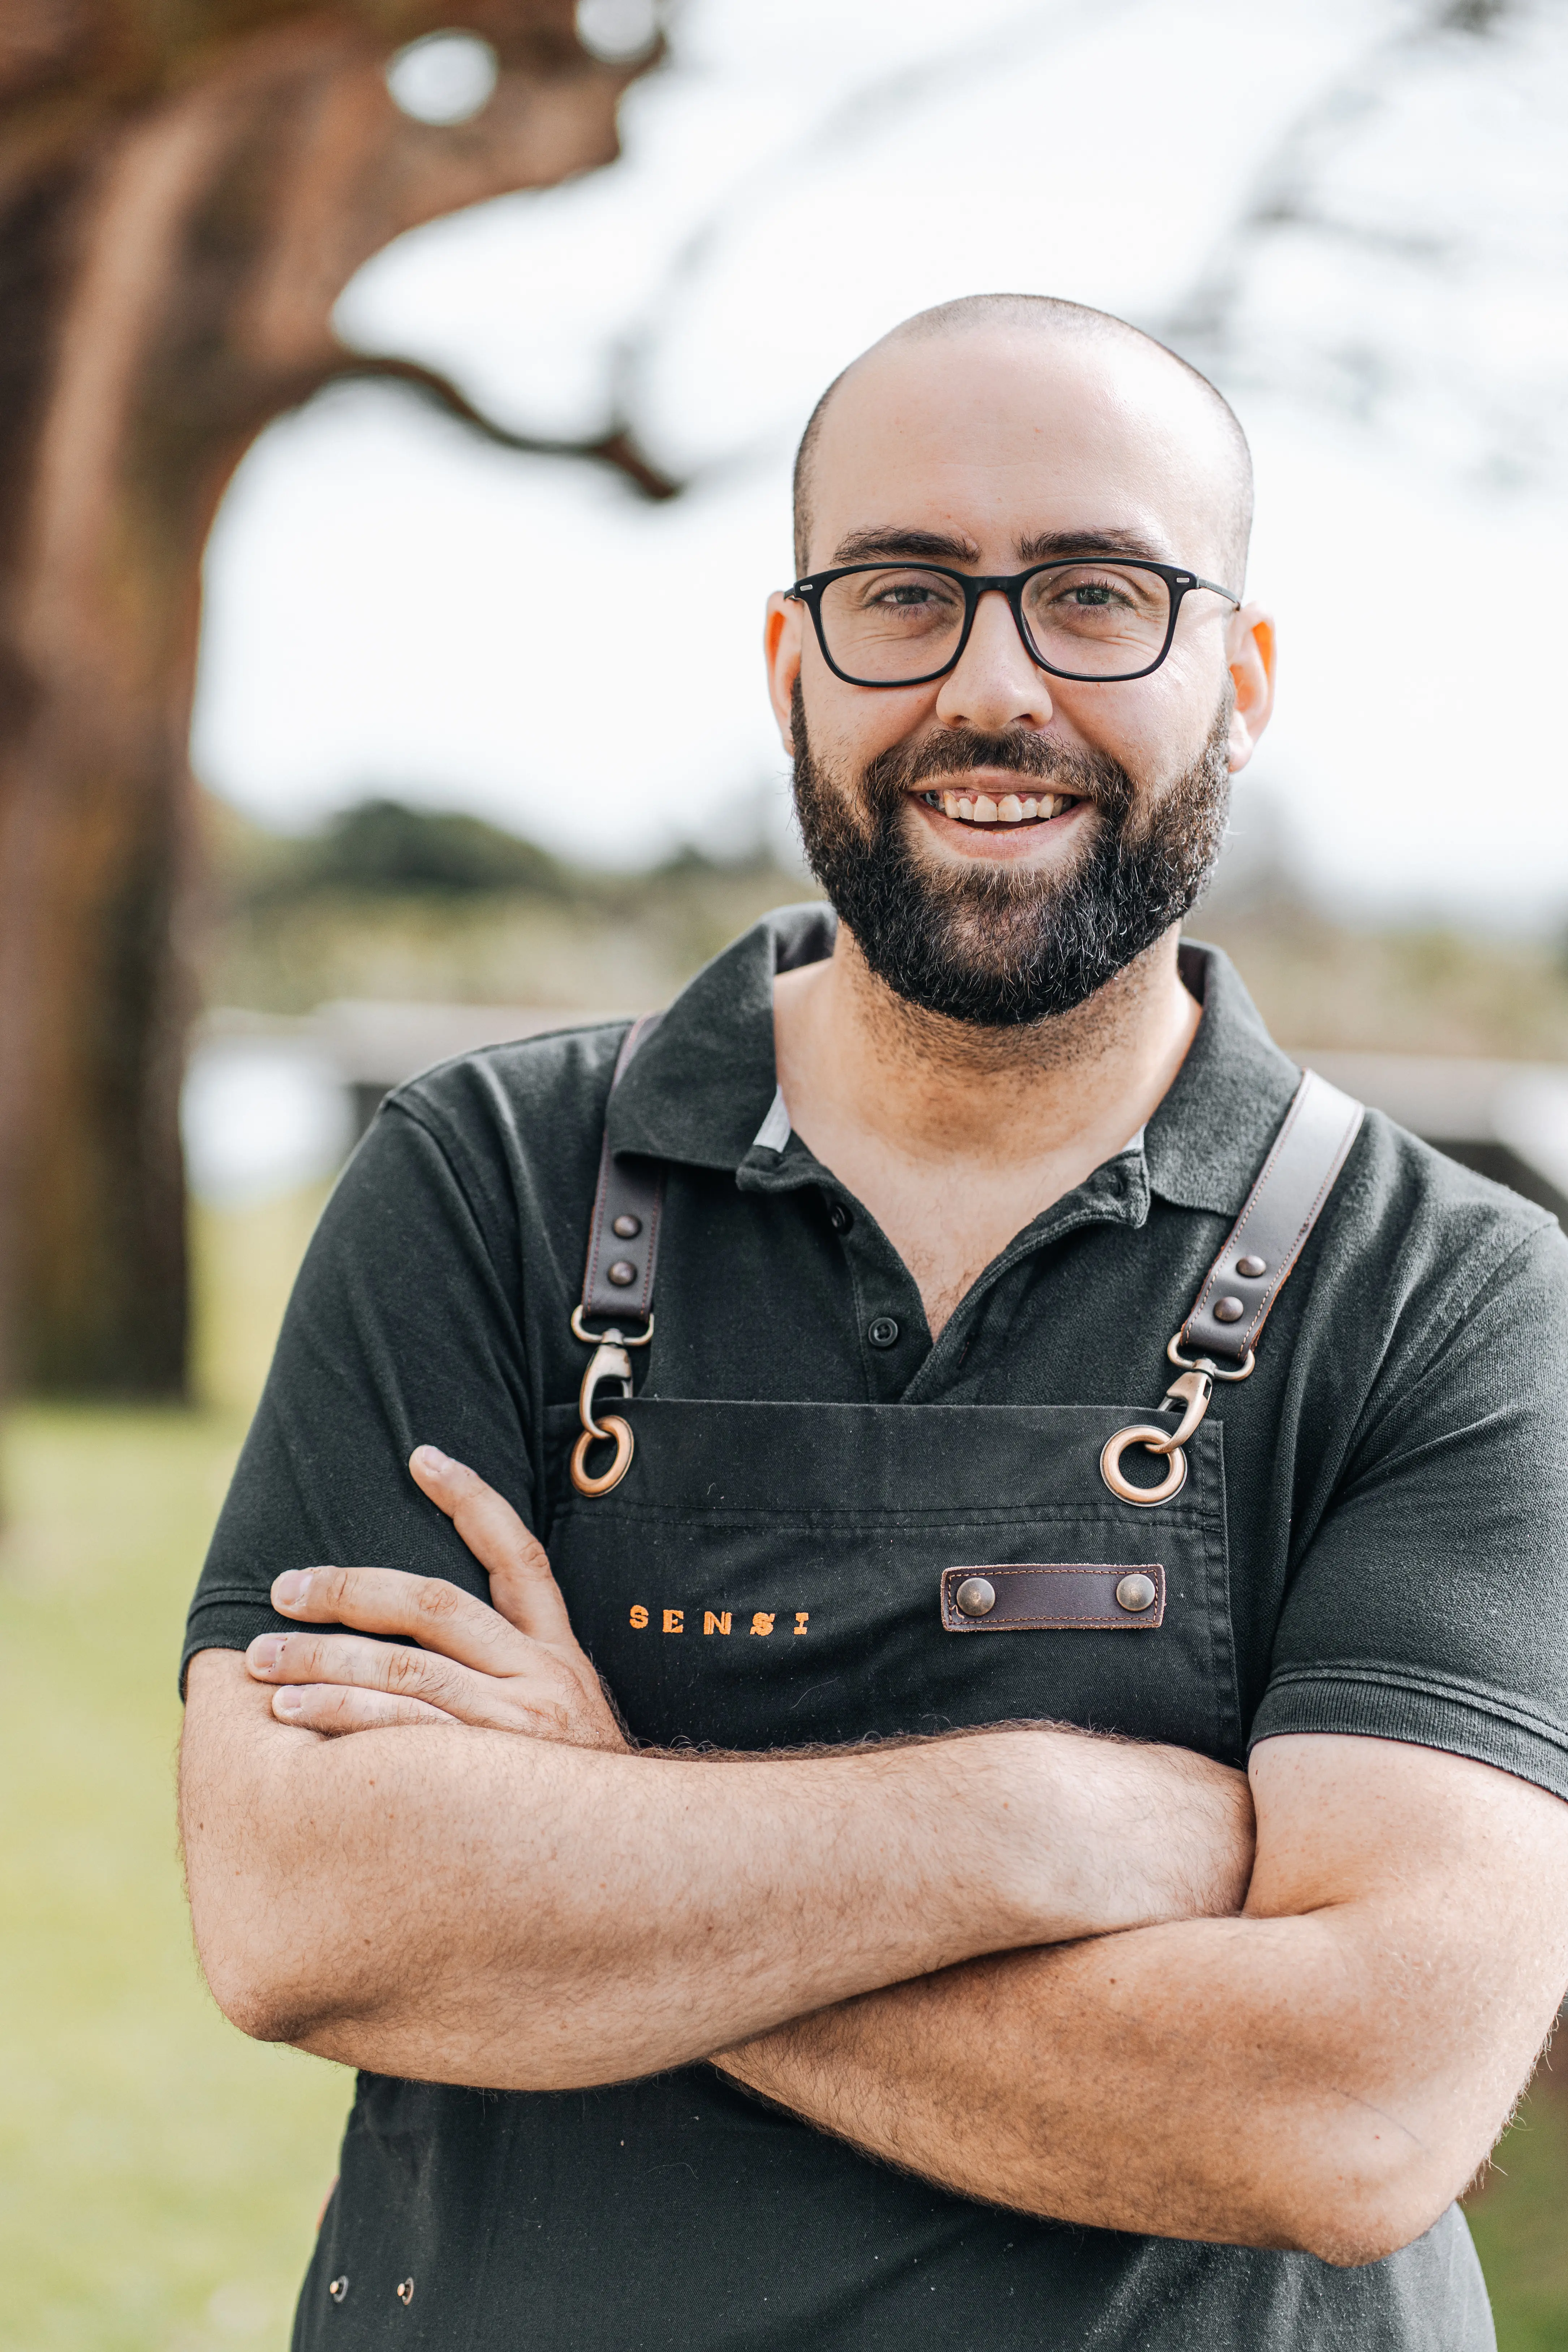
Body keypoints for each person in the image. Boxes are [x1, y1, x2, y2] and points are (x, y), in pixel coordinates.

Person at [178, 294, 1568, 2352]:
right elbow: (312, 1904)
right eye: (904, 592)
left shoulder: (1453, 1294)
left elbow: (1355, 2111)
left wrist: (595, 1836)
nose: (994, 686)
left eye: (1097, 594)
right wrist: (1053, 1825)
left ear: (1242, 678)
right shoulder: (488, 1182)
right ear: (790, 667)